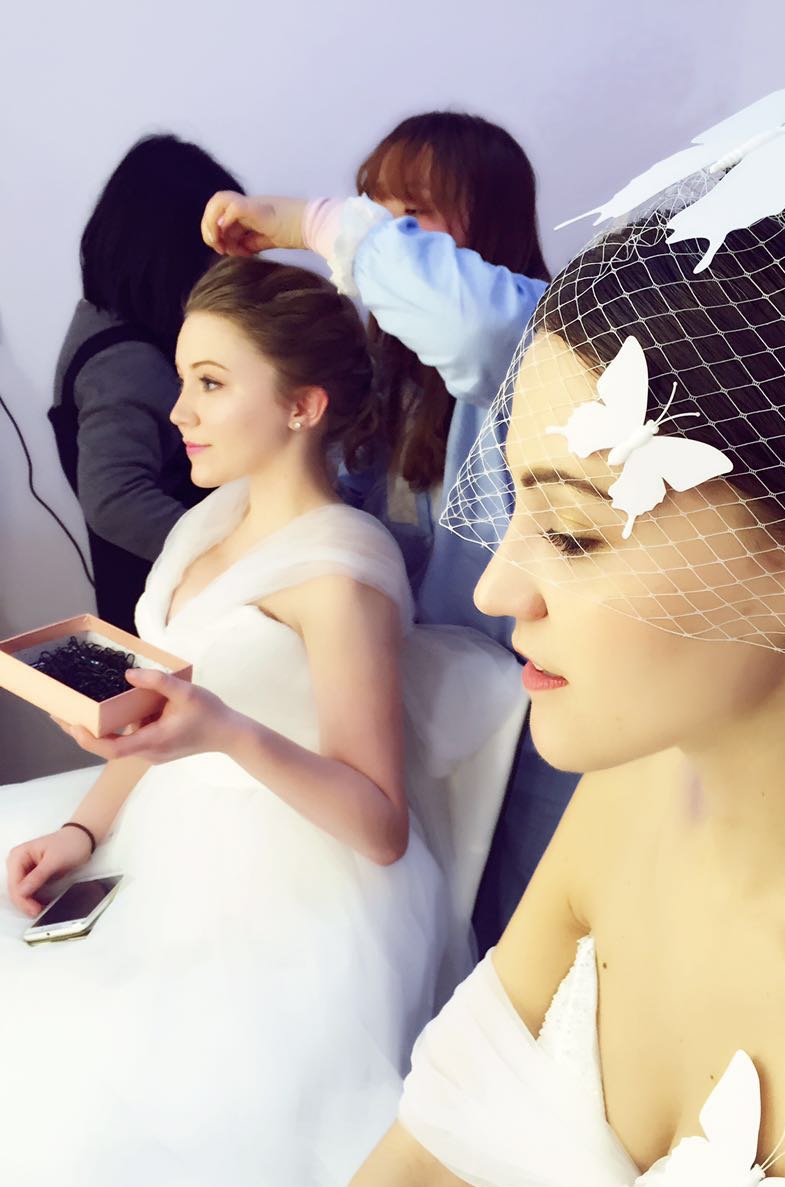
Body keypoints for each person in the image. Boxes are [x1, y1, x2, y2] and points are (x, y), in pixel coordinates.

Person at [290, 172, 785, 1187]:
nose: (498, 588)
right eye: (517, 507)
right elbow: (427, 1173)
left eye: (574, 534)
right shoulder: (627, 806)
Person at [0, 257, 520, 1187]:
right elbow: (162, 723)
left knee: (119, 1117)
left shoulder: (341, 575)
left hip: (296, 886)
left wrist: (229, 734)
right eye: (184, 379)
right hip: (167, 832)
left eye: (210, 382)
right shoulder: (207, 526)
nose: (178, 412)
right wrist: (82, 828)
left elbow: (380, 827)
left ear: (302, 405)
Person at [200, 112, 580, 947]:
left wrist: (312, 222)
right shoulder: (388, 379)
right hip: (422, 704)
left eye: (416, 213)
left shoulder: (546, 337)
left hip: (539, 707)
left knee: (537, 924)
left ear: (492, 224)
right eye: (377, 208)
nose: (390, 234)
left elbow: (475, 327)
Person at [50, 134, 244, 631]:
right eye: (217, 246)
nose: (227, 264)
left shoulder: (105, 321)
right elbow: (115, 500)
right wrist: (234, 556)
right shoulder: (125, 361)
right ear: (176, 250)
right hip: (167, 615)